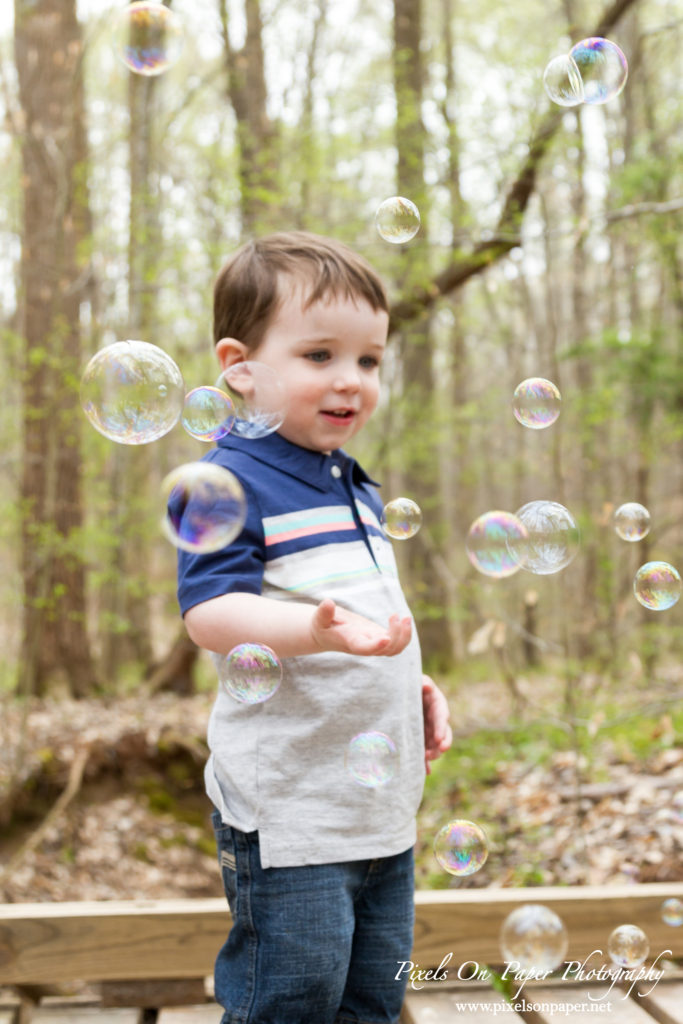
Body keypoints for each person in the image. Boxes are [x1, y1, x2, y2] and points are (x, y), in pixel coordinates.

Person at [175, 231, 453, 1024]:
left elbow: (363, 616)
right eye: (320, 355)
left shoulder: (351, 485)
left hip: (376, 808)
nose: (350, 381)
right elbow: (210, 614)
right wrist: (314, 632)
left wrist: (410, 683)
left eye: (368, 361)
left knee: (372, 998)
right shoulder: (226, 478)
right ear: (240, 366)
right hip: (292, 815)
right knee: (291, 1002)